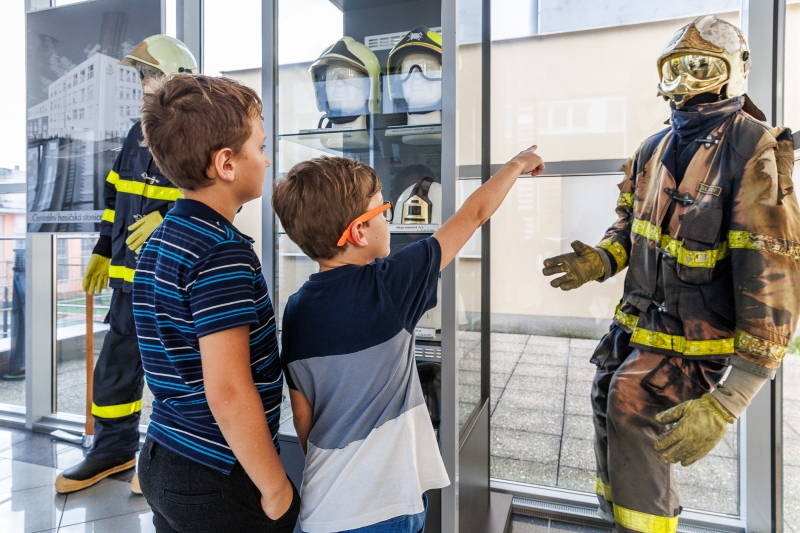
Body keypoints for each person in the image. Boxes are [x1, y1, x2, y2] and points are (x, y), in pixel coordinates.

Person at [541, 16, 800, 532]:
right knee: (606, 399)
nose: (685, 82)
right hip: (638, 326)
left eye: (701, 67)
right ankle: (623, 520)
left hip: (698, 342)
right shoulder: (651, 149)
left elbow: (774, 276)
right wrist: (599, 259)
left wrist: (731, 399)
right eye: (675, 68)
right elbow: (630, 231)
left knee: (632, 402)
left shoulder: (754, 151)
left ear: (731, 73)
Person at [272, 148, 545, 532]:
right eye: (382, 210)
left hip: (322, 506)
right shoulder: (388, 285)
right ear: (358, 232)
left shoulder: (296, 308)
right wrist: (517, 165)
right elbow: (473, 215)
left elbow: (303, 416)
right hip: (387, 505)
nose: (388, 216)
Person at [132, 74, 299, 532]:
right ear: (226, 162)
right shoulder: (221, 251)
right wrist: (275, 486)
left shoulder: (162, 237)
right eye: (261, 149)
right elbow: (227, 390)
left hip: (163, 453)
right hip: (217, 471)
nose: (267, 162)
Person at [56, 35, 196, 495]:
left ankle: (166, 457)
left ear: (178, 77)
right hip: (128, 280)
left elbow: (217, 197)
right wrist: (101, 249)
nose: (143, 84)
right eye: (140, 75)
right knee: (117, 365)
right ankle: (112, 448)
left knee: (173, 369)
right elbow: (115, 197)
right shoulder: (138, 132)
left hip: (171, 278)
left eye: (151, 74)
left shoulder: (200, 130)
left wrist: (170, 216)